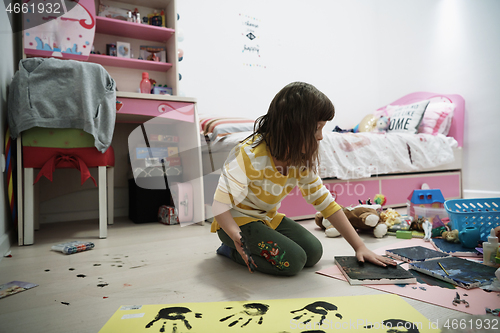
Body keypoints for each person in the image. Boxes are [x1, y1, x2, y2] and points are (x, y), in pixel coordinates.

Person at [211, 82, 396, 276]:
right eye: (317, 128)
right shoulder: (248, 155)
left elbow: (325, 203)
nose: (321, 137)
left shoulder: (299, 159)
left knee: (313, 252)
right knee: (293, 261)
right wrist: (234, 235)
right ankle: (230, 251)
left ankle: (250, 244)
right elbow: (219, 205)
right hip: (234, 222)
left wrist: (360, 247)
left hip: (266, 219)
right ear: (291, 125)